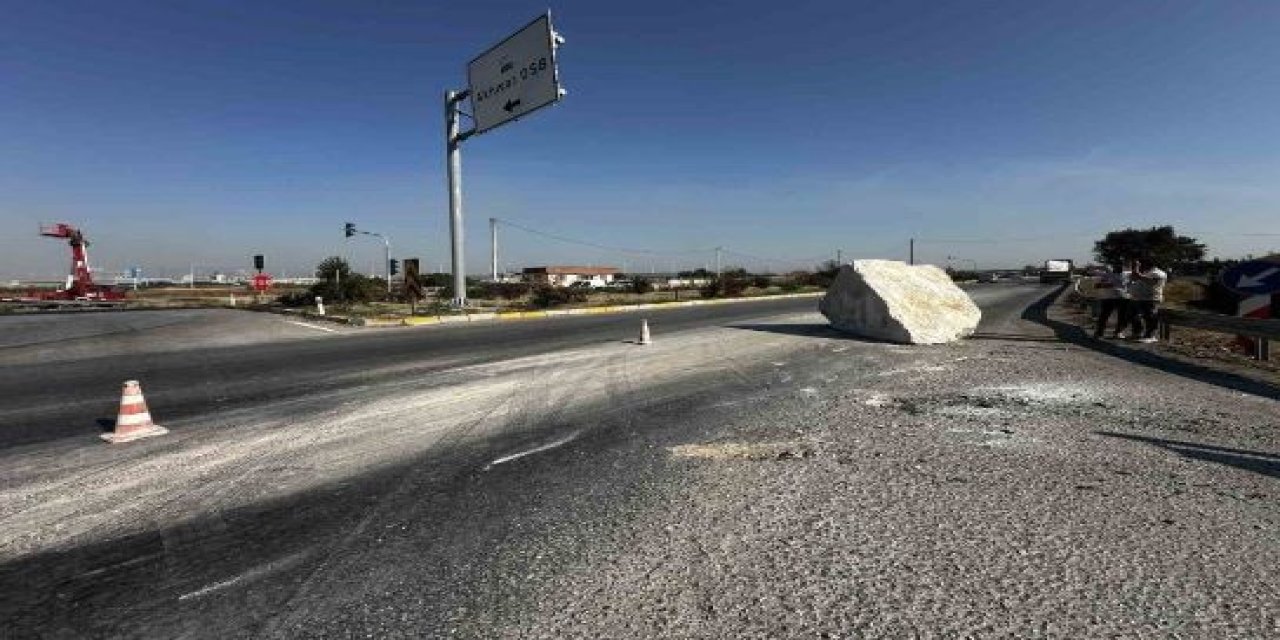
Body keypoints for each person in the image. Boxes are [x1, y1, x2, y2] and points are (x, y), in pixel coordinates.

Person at [1126, 257, 1167, 343]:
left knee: (1150, 317)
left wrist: (1137, 267)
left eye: (1142, 264)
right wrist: (1135, 269)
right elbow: (1134, 277)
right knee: (1135, 316)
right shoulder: (1146, 272)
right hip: (1139, 298)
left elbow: (1150, 282)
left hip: (1151, 298)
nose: (1142, 266)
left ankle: (1151, 336)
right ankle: (1137, 333)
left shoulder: (1158, 273)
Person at [1092, 263, 1130, 338]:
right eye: (1117, 266)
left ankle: (1117, 332)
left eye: (1120, 266)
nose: (1119, 268)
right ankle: (1099, 332)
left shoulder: (1126, 274)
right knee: (1104, 315)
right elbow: (1097, 285)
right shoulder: (1108, 274)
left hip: (1121, 297)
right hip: (1110, 298)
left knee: (1121, 316)